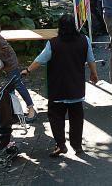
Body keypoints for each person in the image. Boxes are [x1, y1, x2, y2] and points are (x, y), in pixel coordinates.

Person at [22, 14, 99, 157]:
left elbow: (40, 60)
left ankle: (60, 144)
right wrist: (94, 74)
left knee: (56, 117)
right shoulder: (84, 40)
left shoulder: (53, 43)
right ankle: (77, 146)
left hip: (58, 87)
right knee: (76, 118)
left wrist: (28, 70)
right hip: (76, 87)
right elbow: (91, 59)